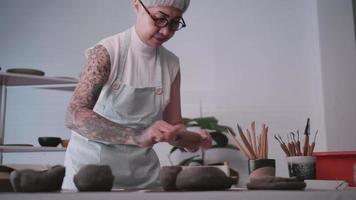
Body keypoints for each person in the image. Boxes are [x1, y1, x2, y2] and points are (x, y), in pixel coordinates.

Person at [63, 0, 212, 190]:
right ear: (137, 6)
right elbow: (75, 115)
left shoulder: (171, 64)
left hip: (143, 178)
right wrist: (139, 136)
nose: (166, 31)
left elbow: (174, 128)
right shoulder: (108, 51)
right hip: (91, 176)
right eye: (160, 19)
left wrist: (193, 139)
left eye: (175, 23)